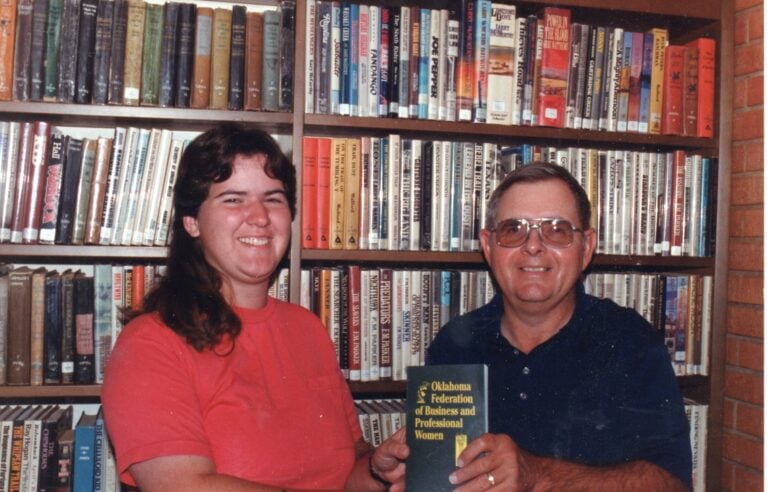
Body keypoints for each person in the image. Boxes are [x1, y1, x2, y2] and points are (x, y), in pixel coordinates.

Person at [102, 123, 408, 491]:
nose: (260, 217)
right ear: (192, 221)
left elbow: (346, 472)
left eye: (273, 198)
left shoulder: (307, 327)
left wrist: (377, 468)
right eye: (233, 199)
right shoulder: (150, 344)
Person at [426, 162, 692, 490]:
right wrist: (414, 472)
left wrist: (538, 475)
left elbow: (672, 485)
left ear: (586, 248)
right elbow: (444, 477)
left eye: (556, 229)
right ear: (489, 246)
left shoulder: (631, 342)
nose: (534, 246)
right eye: (514, 229)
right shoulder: (453, 346)